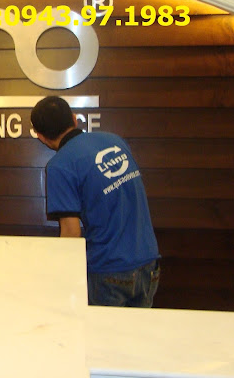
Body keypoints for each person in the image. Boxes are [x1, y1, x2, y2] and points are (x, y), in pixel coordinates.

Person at [30, 96, 160, 307]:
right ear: (74, 119)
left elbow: (71, 232)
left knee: (102, 331)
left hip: (109, 271)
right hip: (148, 262)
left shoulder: (60, 165)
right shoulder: (115, 141)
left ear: (41, 137)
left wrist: (60, 278)